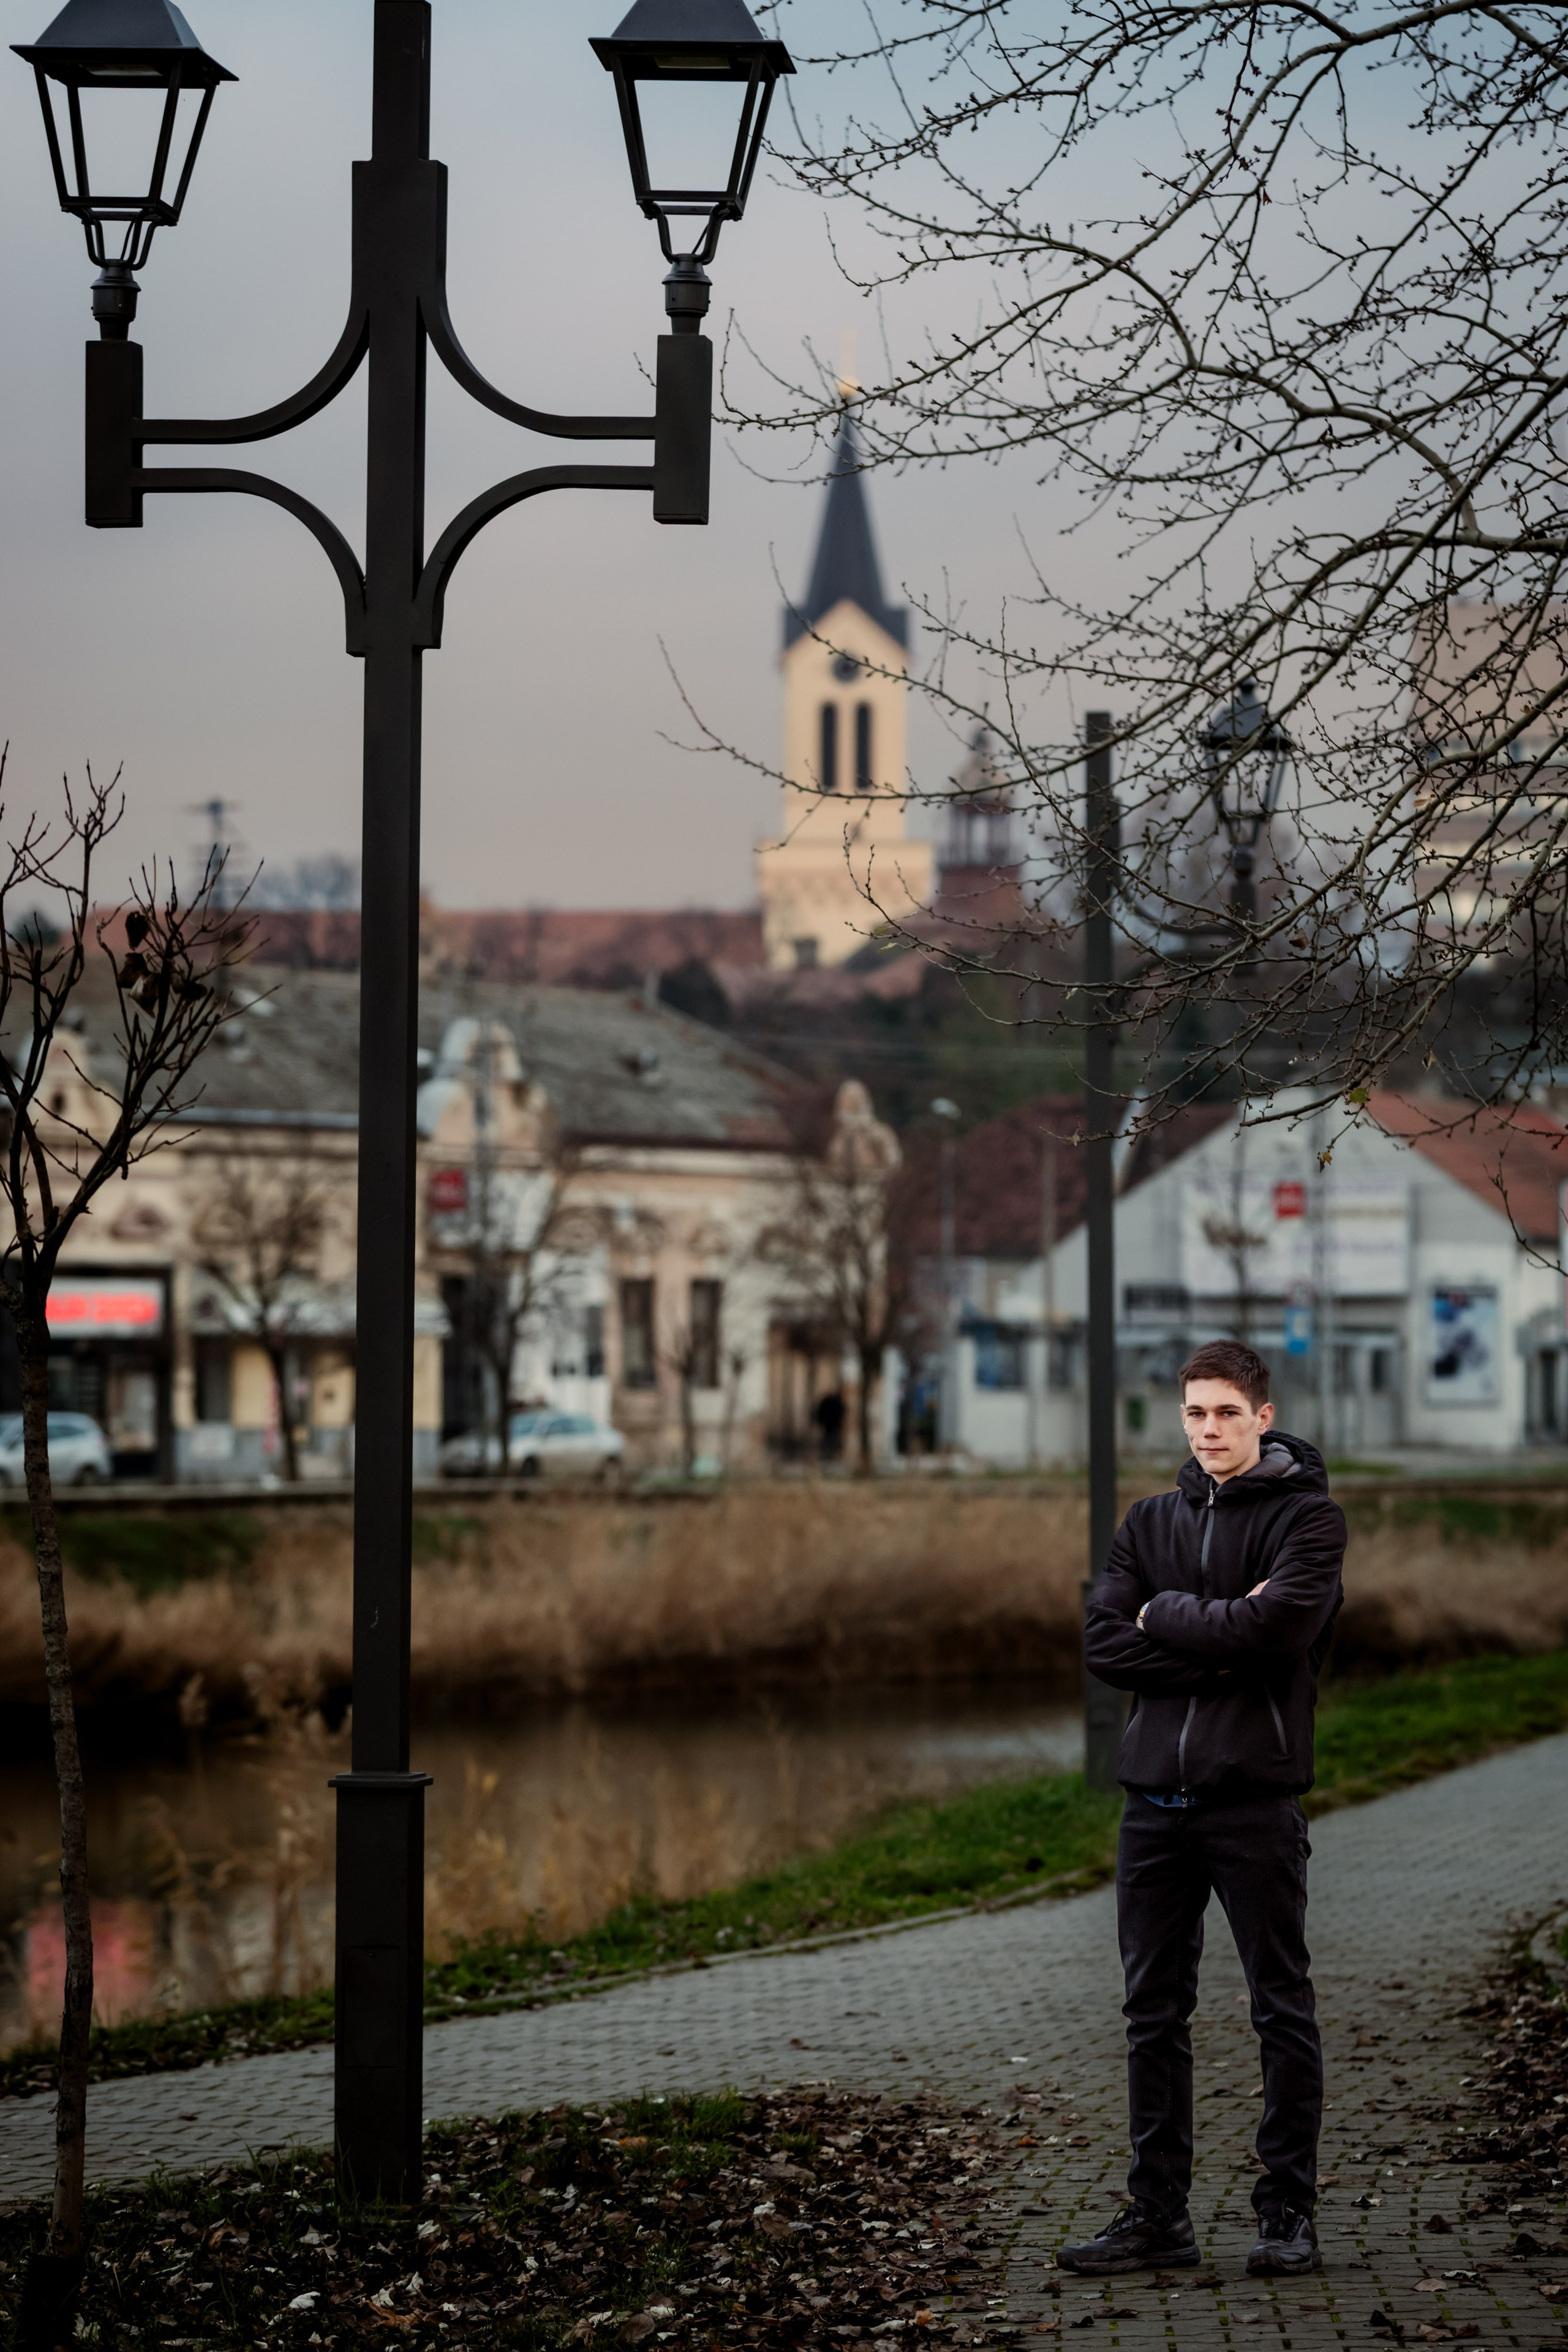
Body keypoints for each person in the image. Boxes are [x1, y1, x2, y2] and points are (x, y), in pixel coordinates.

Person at [1062, 1340, 1345, 2280]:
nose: (1209, 1429)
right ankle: (1158, 2218)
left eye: (1226, 1412)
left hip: (1253, 1802)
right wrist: (1223, 1646)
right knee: (1152, 2015)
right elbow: (1105, 1645)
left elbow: (1278, 1631)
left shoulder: (1310, 1521)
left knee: (1280, 2008)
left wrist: (1165, 1615)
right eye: (1195, 1412)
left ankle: (1286, 2214)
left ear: (1263, 1416)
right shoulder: (1147, 1522)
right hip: (1151, 1807)